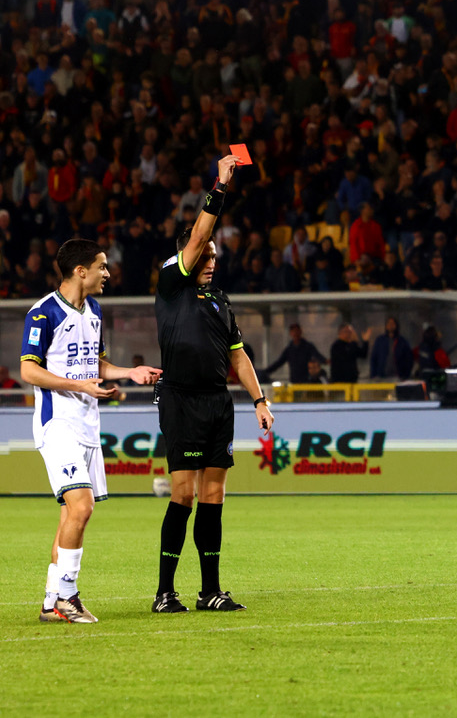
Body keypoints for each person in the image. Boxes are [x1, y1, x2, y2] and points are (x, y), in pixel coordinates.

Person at [152, 154, 273, 615]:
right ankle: (165, 592)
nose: (211, 260)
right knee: (182, 493)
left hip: (217, 403)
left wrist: (259, 398)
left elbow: (238, 356)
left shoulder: (221, 301)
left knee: (214, 496)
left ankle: (210, 592)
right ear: (189, 254)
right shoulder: (171, 284)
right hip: (181, 399)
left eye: (216, 256)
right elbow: (200, 232)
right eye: (205, 253)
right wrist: (219, 186)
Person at [20, 238, 162, 623]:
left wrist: (128, 373)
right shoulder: (43, 313)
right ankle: (68, 597)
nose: (108, 273)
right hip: (58, 423)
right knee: (80, 507)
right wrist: (79, 386)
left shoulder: (94, 310)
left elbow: (94, 364)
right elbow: (28, 370)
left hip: (88, 426)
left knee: (72, 515)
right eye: (102, 266)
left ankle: (52, 601)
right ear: (80, 271)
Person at [261, 324, 326, 384]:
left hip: (306, 381)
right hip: (294, 381)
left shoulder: (308, 346)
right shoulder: (289, 349)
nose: (295, 333)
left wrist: (326, 361)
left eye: (297, 331)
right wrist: (265, 372)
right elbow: (279, 362)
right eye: (293, 332)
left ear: (300, 332)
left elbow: (318, 356)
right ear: (290, 333)